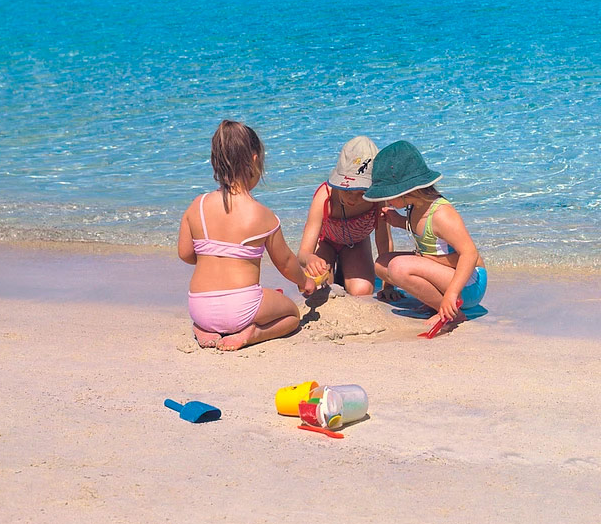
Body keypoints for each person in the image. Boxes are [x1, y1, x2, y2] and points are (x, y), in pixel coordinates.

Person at [177, 120, 314, 351]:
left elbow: (185, 254)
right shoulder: (262, 215)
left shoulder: (197, 205)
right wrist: (304, 281)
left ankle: (204, 328)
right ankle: (252, 333)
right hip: (241, 307)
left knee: (215, 315)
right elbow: (286, 263)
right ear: (254, 160)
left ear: (214, 162)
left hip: (199, 306)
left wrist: (212, 257)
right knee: (292, 315)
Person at [365, 140, 486, 329]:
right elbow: (430, 237)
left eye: (388, 195)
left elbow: (470, 254)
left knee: (398, 267)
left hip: (469, 285)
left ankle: (449, 310)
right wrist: (399, 221)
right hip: (450, 276)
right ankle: (434, 301)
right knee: (381, 265)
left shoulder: (441, 214)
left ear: (404, 192)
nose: (385, 200)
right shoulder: (415, 207)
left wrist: (452, 294)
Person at [297, 136, 394, 297]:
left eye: (361, 193)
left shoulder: (377, 200)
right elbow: (303, 253)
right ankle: (337, 264)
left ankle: (345, 264)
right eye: (348, 191)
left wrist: (388, 285)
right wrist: (310, 259)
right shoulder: (325, 197)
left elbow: (384, 241)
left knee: (362, 291)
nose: (353, 199)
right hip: (326, 242)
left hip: (356, 242)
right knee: (317, 288)